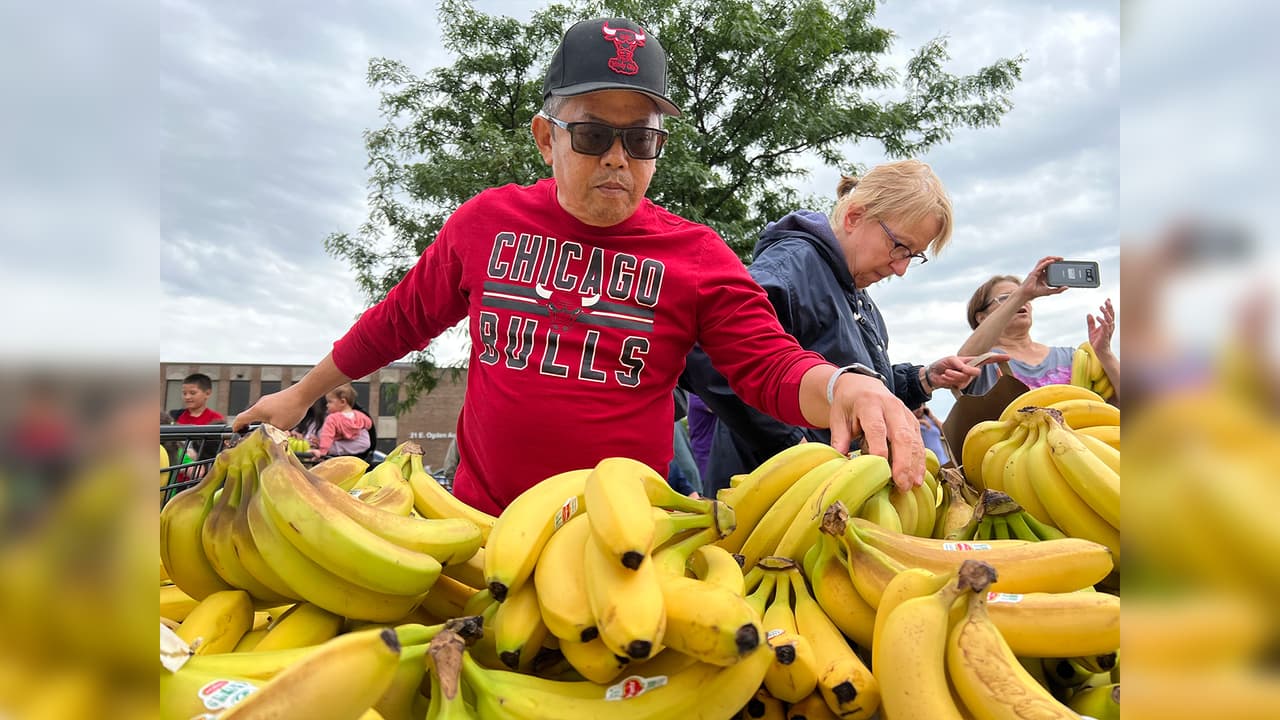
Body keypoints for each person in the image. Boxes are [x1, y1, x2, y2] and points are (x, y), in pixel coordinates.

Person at [234, 17, 926, 513]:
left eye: (642, 137)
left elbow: (766, 363)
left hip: (618, 534)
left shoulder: (699, 256)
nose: (618, 158)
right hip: (480, 524)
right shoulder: (487, 223)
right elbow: (399, 322)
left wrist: (846, 387)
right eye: (594, 133)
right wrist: (299, 395)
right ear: (547, 138)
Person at [683, 162, 999, 493]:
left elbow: (854, 386)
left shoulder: (861, 301)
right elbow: (711, 352)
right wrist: (796, 444)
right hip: (769, 491)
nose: (902, 268)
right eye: (899, 247)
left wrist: (923, 379)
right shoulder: (793, 266)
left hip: (825, 492)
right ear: (854, 217)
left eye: (914, 256)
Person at [959, 256, 1119, 397]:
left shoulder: (1072, 357)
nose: (1022, 302)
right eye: (1007, 298)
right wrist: (1022, 294)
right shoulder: (987, 362)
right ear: (981, 317)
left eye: (1027, 299)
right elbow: (961, 364)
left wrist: (1105, 353)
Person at [310, 384, 373, 459]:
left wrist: (322, 451)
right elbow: (369, 424)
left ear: (343, 402)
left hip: (336, 451)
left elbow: (327, 436)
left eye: (330, 402)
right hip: (358, 453)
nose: (327, 405)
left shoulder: (332, 419)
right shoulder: (360, 416)